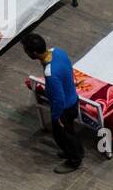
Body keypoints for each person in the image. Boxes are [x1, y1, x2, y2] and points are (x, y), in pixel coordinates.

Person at [22, 32, 83, 174]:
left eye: (26, 50)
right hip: (73, 99)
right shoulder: (57, 52)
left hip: (64, 108)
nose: (25, 52)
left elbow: (58, 99)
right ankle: (75, 151)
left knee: (62, 135)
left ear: (35, 53)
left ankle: (74, 160)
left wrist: (57, 117)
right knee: (70, 132)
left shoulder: (51, 73)